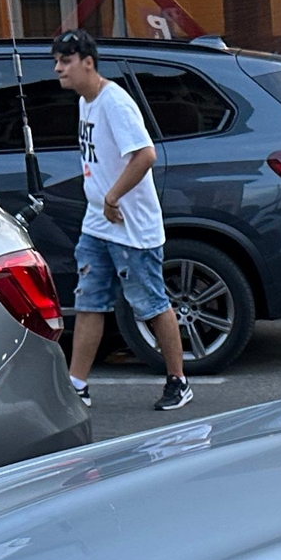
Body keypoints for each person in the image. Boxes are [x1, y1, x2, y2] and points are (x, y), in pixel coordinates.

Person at [52, 28, 192, 412]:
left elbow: (145, 155)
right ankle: (77, 383)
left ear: (88, 63)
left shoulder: (115, 103)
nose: (58, 70)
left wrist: (113, 195)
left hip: (132, 228)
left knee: (151, 304)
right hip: (97, 225)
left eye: (65, 62)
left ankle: (178, 381)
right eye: (57, 62)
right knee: (90, 301)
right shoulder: (86, 101)